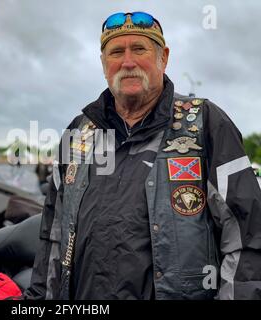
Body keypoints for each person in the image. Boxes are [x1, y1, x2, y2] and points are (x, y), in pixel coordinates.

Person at [21, 11, 261, 300]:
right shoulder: (79, 132)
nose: (128, 62)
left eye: (139, 49)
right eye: (116, 52)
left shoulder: (206, 123)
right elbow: (53, 238)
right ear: (103, 64)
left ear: (164, 57)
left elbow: (247, 237)